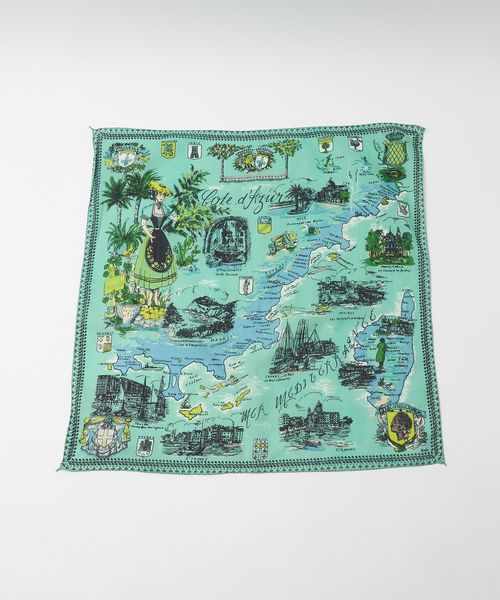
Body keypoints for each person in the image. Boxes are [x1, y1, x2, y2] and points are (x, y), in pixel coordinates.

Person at [134, 181, 178, 306]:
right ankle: (149, 299)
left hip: (162, 238)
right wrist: (149, 235)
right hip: (152, 237)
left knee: (161, 262)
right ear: (155, 195)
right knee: (150, 265)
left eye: (163, 196)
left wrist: (175, 219)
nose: (162, 197)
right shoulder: (148, 209)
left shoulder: (165, 209)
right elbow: (143, 224)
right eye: (159, 195)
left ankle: (156, 298)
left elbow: (172, 218)